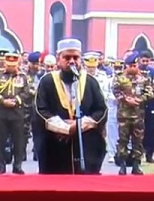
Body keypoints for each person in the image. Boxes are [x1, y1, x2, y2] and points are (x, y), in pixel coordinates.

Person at [33, 38, 108, 174]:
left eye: (75, 57)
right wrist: (65, 128)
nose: (72, 61)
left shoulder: (91, 82)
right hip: (56, 145)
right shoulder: (47, 82)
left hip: (85, 143)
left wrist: (79, 125)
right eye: (67, 58)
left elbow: (101, 110)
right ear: (58, 59)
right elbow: (40, 111)